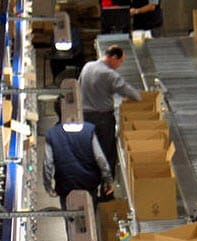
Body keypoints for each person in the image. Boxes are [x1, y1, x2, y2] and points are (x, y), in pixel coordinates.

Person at [78, 45, 141, 174]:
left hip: (84, 117)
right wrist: (140, 98)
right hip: (103, 120)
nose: (120, 65)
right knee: (106, 153)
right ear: (113, 58)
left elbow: (78, 87)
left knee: (89, 151)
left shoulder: (88, 66)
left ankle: (91, 186)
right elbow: (131, 93)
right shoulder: (109, 74)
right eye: (120, 61)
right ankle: (107, 189)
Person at [44, 98, 114, 210]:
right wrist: (108, 179)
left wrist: (48, 186)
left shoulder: (52, 134)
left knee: (70, 218)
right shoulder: (88, 130)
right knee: (89, 215)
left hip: (65, 186)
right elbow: (100, 158)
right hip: (88, 184)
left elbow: (48, 163)